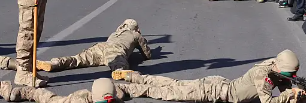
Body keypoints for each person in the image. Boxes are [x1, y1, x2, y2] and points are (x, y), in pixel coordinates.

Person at [112, 50, 302, 103]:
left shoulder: (275, 67)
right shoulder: (264, 74)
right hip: (214, 91)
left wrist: (294, 92)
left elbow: (286, 85)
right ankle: (127, 86)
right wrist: (291, 95)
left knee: (174, 84)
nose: (291, 77)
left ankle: (133, 76)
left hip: (220, 86)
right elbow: (267, 101)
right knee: (169, 92)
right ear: (281, 67)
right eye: (290, 74)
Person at [36, 19, 150, 73]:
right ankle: (119, 71)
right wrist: (140, 36)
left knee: (77, 59)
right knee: (120, 67)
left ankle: (54, 63)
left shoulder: (115, 33)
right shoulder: (135, 35)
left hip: (101, 47)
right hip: (115, 51)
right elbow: (147, 54)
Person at [14, 78, 126, 103]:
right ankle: (27, 91)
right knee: (51, 100)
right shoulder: (77, 101)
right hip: (77, 98)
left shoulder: (117, 100)